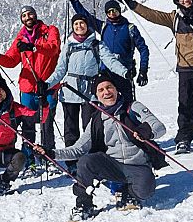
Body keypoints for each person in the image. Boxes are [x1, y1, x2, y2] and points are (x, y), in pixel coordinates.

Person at [116, 0, 193, 154]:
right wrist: (130, 3)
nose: (186, 0)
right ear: (177, 0)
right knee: (186, 104)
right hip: (186, 67)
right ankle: (183, 139)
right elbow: (152, 15)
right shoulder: (174, 18)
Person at [49, 72, 167, 222]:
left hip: (137, 165)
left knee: (145, 191)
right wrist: (51, 153)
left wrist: (148, 131)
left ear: (116, 89)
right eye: (101, 90)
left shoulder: (133, 107)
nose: (106, 92)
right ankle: (84, 204)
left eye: (109, 87)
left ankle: (128, 191)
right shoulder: (97, 118)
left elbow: (159, 127)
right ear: (97, 96)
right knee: (86, 161)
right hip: (112, 166)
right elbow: (79, 149)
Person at [43, 14, 129, 154]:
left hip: (90, 93)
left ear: (87, 25)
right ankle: (72, 161)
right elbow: (60, 70)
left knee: (89, 127)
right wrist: (47, 84)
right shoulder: (69, 46)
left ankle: (91, 157)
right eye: (76, 24)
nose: (79, 26)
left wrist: (125, 72)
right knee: (70, 129)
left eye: (81, 23)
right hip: (70, 92)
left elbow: (110, 61)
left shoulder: (97, 44)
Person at [0, 5, 61, 153]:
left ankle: (49, 153)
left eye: (30, 14)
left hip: (48, 85)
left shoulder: (50, 31)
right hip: (28, 87)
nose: (27, 17)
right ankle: (29, 157)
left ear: (35, 15)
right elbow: (11, 60)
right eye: (24, 16)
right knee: (28, 123)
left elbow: (53, 49)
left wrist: (33, 46)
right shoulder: (20, 38)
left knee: (47, 123)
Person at [65, 0, 150, 92]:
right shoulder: (103, 26)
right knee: (107, 105)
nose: (112, 14)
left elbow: (143, 49)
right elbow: (84, 14)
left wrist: (143, 70)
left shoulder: (130, 28)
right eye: (109, 12)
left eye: (114, 11)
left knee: (126, 104)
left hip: (125, 72)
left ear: (119, 11)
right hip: (106, 72)